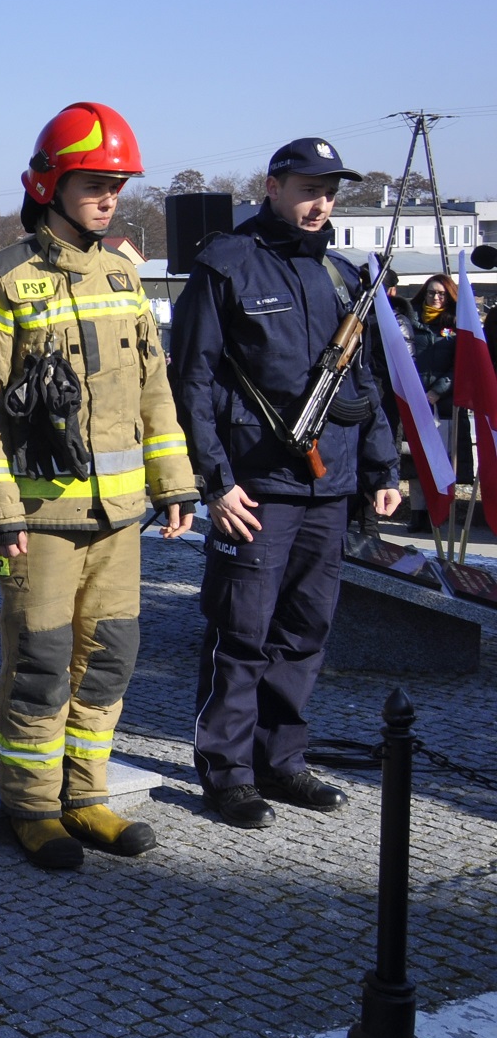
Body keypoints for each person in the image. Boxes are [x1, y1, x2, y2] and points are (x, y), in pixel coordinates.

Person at [0, 102, 198, 870]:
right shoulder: (2, 278)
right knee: (40, 662)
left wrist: (175, 484)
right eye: (95, 182)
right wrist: (1, 514)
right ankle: (32, 808)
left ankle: (85, 796)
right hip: (38, 520)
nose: (109, 197)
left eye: (117, 185)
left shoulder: (125, 275)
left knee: (109, 659)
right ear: (49, 185)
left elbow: (154, 388)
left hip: (120, 519)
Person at [170, 137, 401, 829]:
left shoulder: (341, 275)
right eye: (307, 189)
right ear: (272, 188)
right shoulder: (225, 264)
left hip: (329, 488)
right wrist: (214, 480)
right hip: (257, 486)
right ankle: (228, 773)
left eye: (329, 191)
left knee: (304, 631)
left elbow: (364, 383)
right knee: (241, 632)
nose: (320, 203)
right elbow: (193, 381)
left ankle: (281, 760)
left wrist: (382, 468)